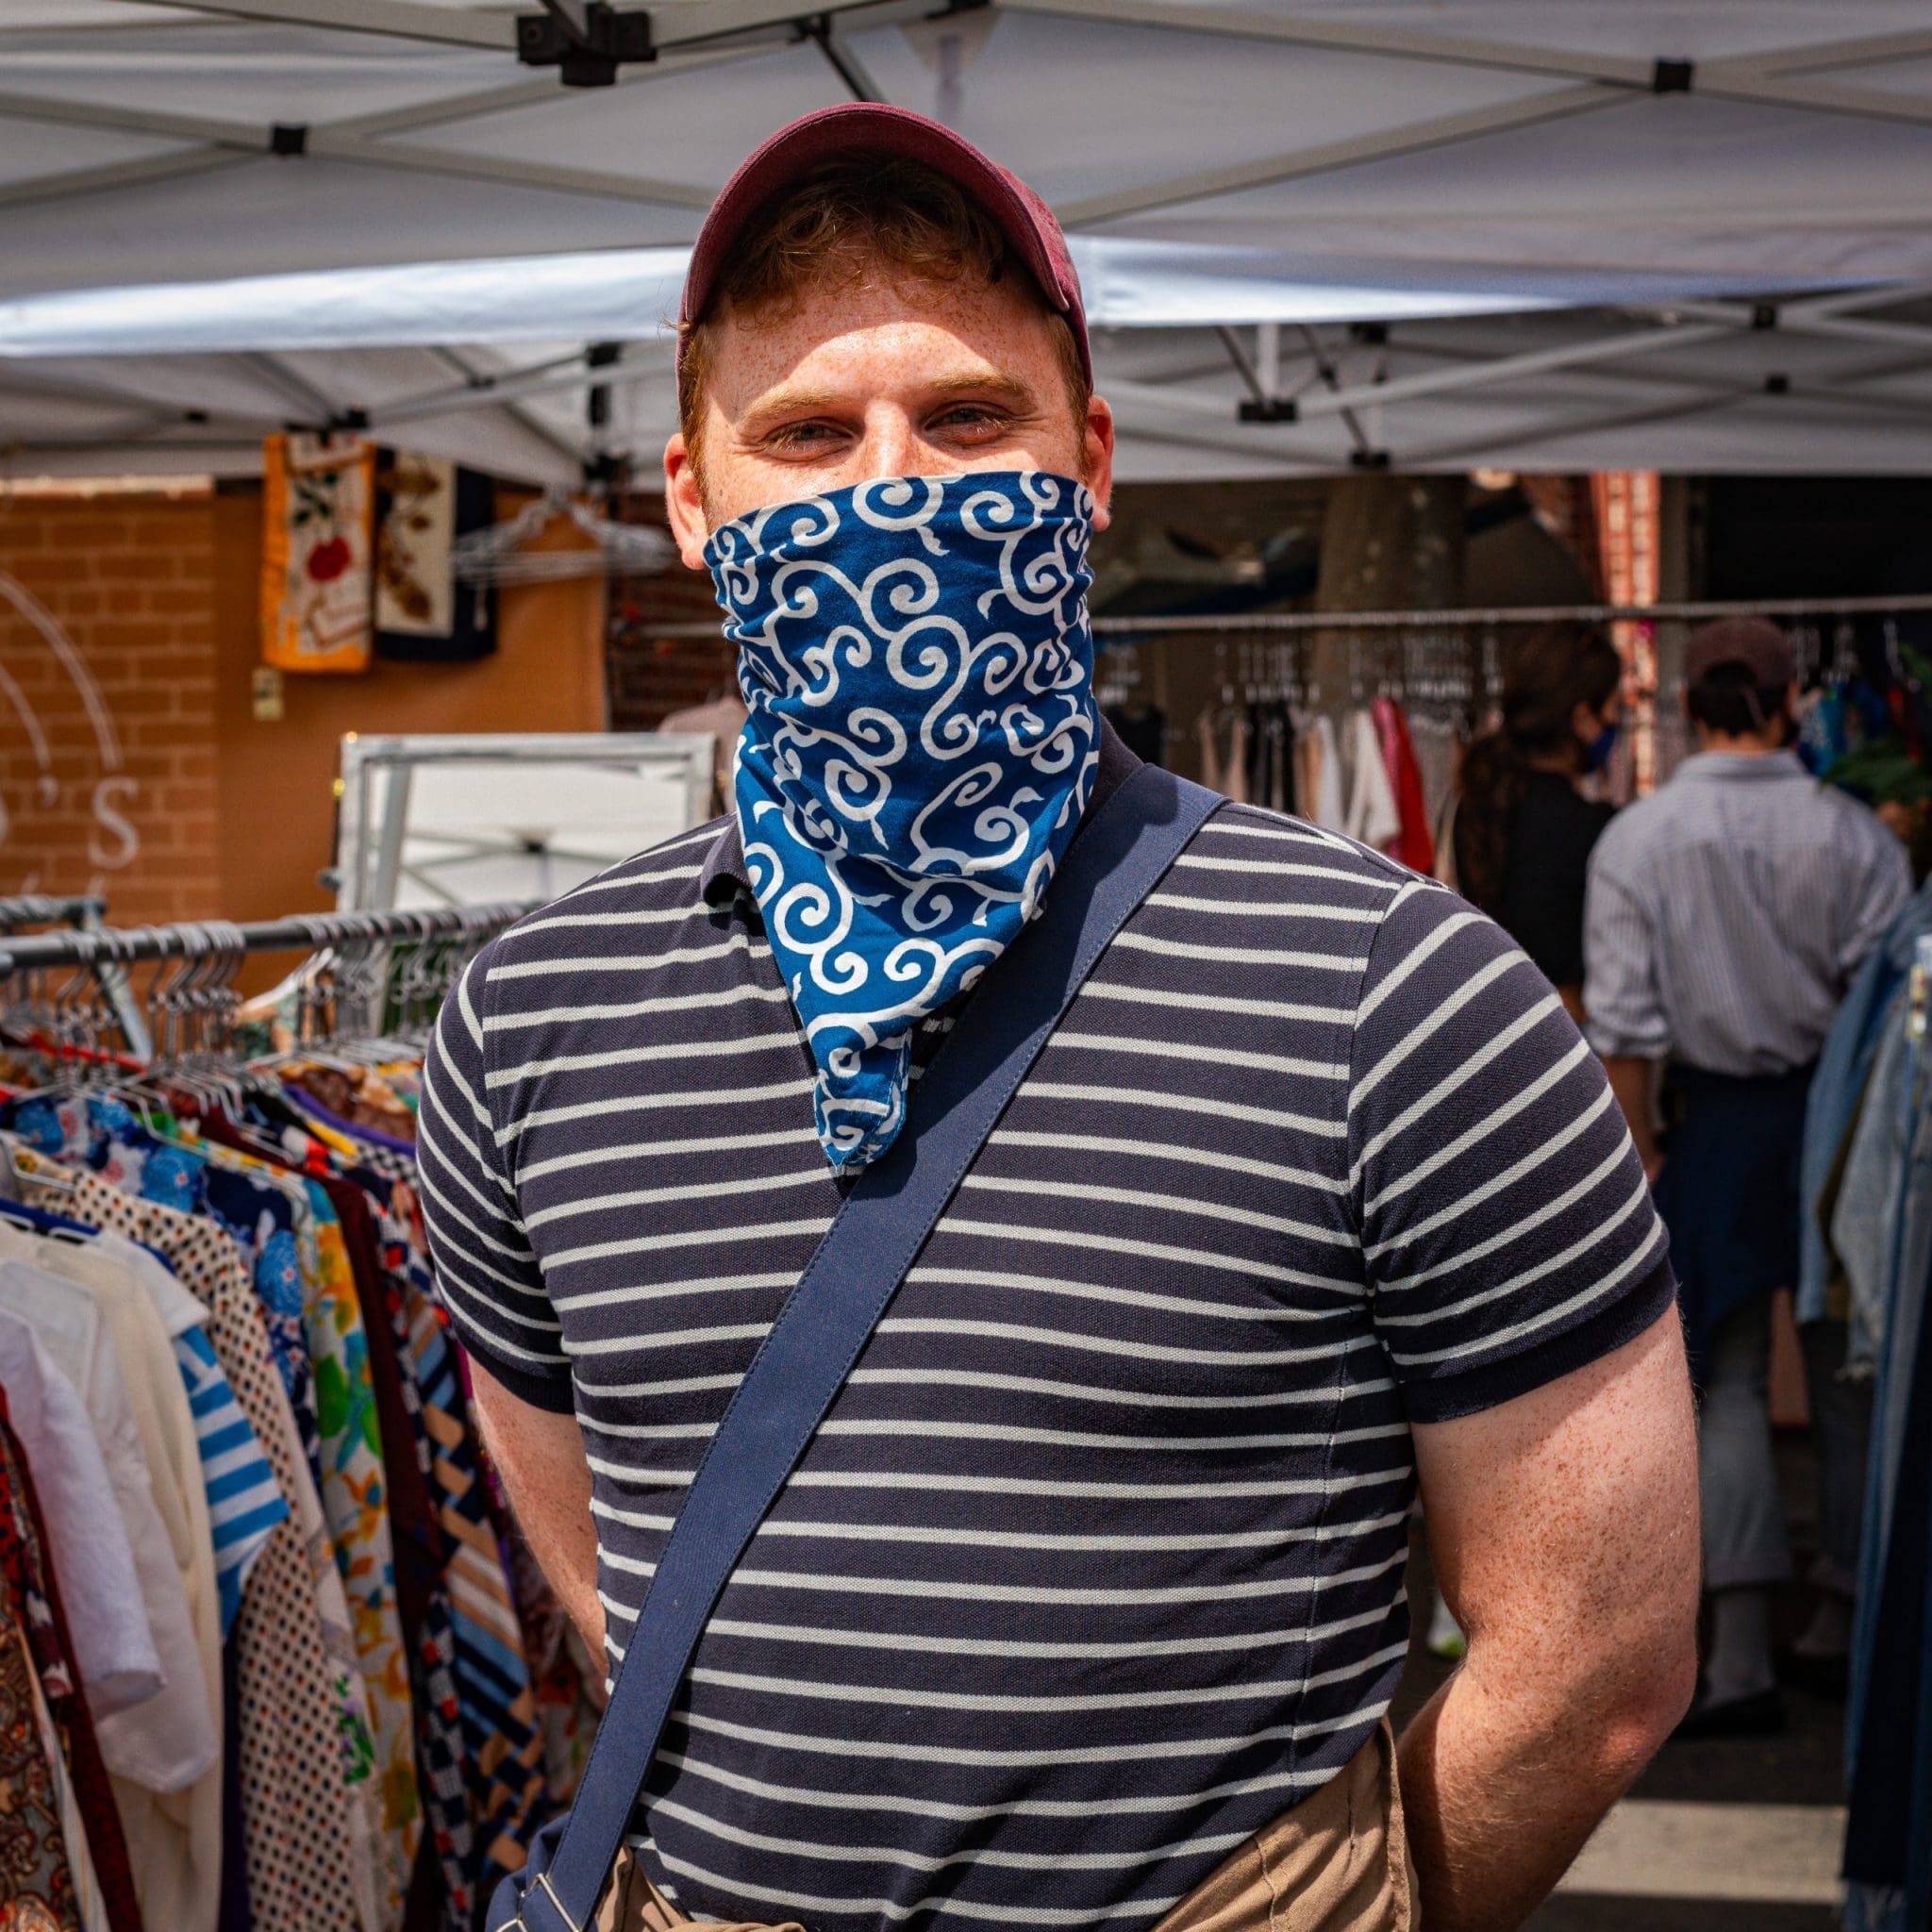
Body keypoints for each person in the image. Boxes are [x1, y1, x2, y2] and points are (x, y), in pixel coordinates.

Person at [417, 105, 1699, 1932]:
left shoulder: (1397, 992)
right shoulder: (525, 1023)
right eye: (806, 435)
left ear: (1087, 464)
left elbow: (1597, 1659)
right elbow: (606, 1558)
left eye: (966, 419)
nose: (890, 490)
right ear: (690, 504)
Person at [1585, 615, 1912, 1737]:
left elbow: (1623, 1027)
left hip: (1708, 1125)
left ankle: (1733, 1654)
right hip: (1836, 1115)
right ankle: (1842, 1623)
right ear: (1785, 704)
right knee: (1844, 1370)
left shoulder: (1637, 838)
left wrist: (1638, 1156)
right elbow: (1886, 1010)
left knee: (1718, 1381)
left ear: (1687, 705)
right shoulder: (1853, 836)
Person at [1452, 625, 1624, 1024]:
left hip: (1490, 1027)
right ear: (1583, 718)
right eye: (1615, 708)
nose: (1617, 722)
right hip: (1571, 1032)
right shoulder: (1597, 829)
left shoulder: (1476, 806)